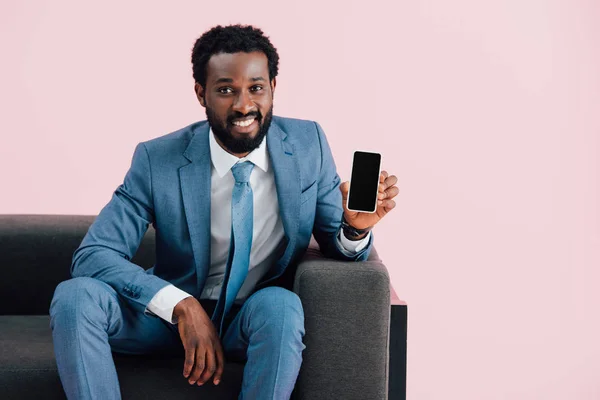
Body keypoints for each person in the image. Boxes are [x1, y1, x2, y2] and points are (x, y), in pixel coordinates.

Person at [49, 24, 399, 399]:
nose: (244, 105)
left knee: (282, 306)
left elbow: (336, 240)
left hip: (251, 317)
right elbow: (93, 254)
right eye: (226, 90)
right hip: (165, 319)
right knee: (75, 296)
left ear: (274, 87)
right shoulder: (157, 160)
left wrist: (355, 229)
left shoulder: (307, 143)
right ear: (201, 93)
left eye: (256, 88)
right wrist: (181, 305)